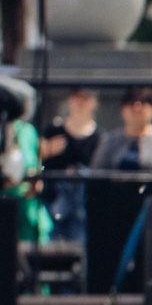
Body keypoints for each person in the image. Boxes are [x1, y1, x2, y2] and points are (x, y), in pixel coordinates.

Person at [39, 89, 102, 246]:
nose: (80, 103)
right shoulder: (52, 131)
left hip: (81, 211)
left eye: (85, 98)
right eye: (76, 97)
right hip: (52, 204)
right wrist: (45, 151)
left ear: (94, 103)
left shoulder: (100, 138)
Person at [93, 88, 152, 179]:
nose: (137, 108)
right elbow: (97, 175)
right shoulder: (109, 141)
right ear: (123, 109)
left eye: (143, 103)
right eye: (131, 103)